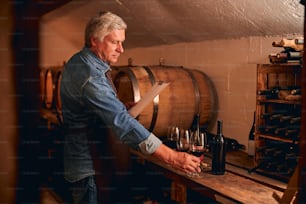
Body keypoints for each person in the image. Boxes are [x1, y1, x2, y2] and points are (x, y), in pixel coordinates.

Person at [60, 11, 202, 204]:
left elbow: (93, 109)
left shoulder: (81, 61)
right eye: (115, 42)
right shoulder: (90, 74)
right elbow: (121, 123)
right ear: (94, 41)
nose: (121, 49)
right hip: (90, 167)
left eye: (122, 42)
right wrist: (172, 157)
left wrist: (121, 106)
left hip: (92, 160)